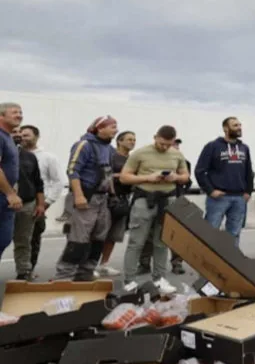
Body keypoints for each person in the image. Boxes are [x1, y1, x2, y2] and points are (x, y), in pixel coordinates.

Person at [120, 125, 189, 294]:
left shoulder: (177, 154)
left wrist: (176, 177)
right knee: (137, 242)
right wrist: (147, 178)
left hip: (167, 199)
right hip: (144, 199)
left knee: (162, 242)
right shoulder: (140, 153)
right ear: (155, 137)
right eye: (161, 144)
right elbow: (124, 177)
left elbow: (186, 176)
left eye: (168, 144)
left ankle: (159, 278)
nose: (164, 147)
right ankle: (129, 280)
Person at [55, 116, 117, 281]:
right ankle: (64, 277)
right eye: (112, 126)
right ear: (100, 128)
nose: (115, 130)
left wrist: (112, 195)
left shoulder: (109, 149)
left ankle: (85, 273)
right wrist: (79, 195)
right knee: (78, 240)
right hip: (86, 198)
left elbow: (108, 173)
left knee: (98, 238)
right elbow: (72, 171)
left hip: (102, 200)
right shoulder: (84, 145)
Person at [195, 117, 254, 246]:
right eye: (235, 125)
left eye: (240, 125)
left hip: (239, 198)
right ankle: (207, 262)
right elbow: (200, 171)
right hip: (219, 198)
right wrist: (210, 191)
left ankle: (230, 263)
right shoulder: (212, 146)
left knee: (234, 233)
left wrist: (248, 191)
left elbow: (249, 171)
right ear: (225, 128)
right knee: (210, 231)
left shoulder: (244, 148)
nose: (239, 127)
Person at [21, 125, 63, 270]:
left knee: (33, 239)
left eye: (26, 135)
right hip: (14, 203)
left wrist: (46, 202)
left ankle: (28, 270)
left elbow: (58, 182)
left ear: (36, 137)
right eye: (21, 135)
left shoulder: (48, 158)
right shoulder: (12, 155)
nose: (22, 138)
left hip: (37, 204)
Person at [97, 131, 136, 276]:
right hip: (109, 197)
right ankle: (90, 264)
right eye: (129, 139)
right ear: (119, 141)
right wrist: (122, 176)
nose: (132, 142)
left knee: (114, 234)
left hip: (125, 198)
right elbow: (104, 173)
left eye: (134, 140)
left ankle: (104, 264)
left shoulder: (133, 159)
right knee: (101, 232)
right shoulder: (112, 156)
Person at [11, 127, 45, 280]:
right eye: (14, 132)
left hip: (27, 205)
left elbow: (38, 183)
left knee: (24, 241)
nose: (18, 135)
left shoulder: (29, 157)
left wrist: (40, 205)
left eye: (19, 132)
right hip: (4, 205)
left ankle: (24, 272)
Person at [0, 104, 22, 261]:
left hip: (5, 197)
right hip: (3, 195)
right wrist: (9, 193)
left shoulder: (8, 138)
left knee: (4, 238)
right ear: (1, 116)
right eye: (14, 112)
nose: (19, 115)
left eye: (20, 112)